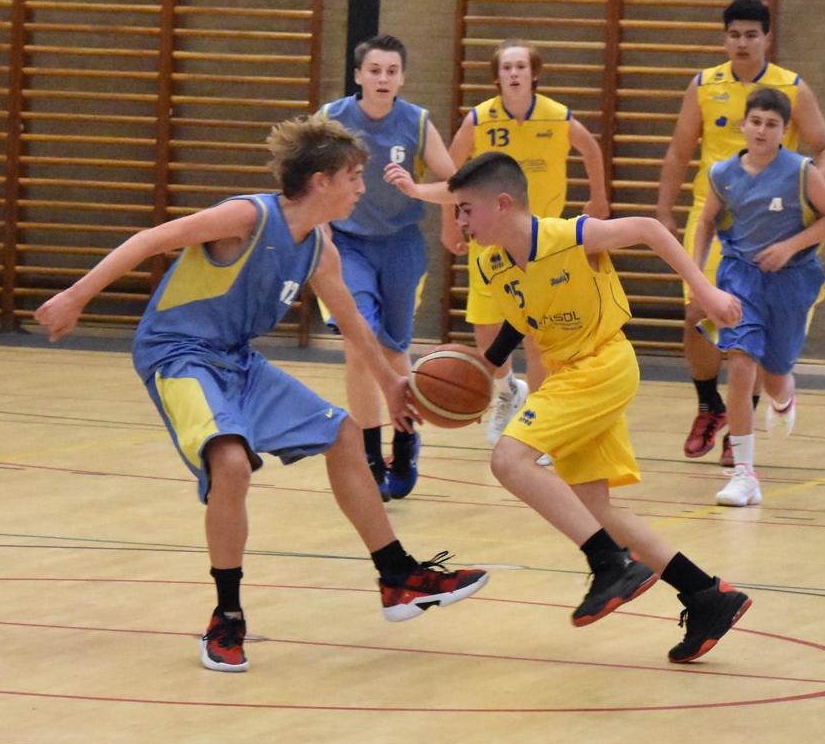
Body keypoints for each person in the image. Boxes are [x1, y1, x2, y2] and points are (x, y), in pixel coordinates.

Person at [34, 113, 488, 674]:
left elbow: (350, 320)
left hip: (237, 359)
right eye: (353, 177)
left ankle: (398, 578)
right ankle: (226, 616)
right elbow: (151, 239)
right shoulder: (247, 217)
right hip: (179, 353)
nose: (361, 188)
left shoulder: (319, 247)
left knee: (345, 435)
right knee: (231, 464)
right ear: (321, 181)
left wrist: (393, 382)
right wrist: (76, 296)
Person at [387, 151, 753, 663]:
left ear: (503, 203)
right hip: (568, 375)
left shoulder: (570, 236)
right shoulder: (493, 263)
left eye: (467, 209)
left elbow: (649, 229)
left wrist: (705, 291)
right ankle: (707, 595)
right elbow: (521, 321)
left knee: (508, 459)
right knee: (594, 510)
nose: (461, 220)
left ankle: (609, 564)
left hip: (603, 363)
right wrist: (473, 377)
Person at [657, 0, 825, 467]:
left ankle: (742, 428)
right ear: (725, 39)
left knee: (752, 332)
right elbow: (679, 152)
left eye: (751, 34)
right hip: (713, 214)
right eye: (734, 34)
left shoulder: (791, 88)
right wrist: (664, 210)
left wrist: (807, 195)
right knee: (697, 314)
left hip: (769, 224)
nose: (742, 42)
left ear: (766, 38)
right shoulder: (704, 85)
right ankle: (709, 406)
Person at [444, 40, 609, 447]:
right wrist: (450, 223)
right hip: (488, 240)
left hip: (541, 243)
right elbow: (451, 172)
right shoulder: (480, 119)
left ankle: (538, 424)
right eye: (506, 67)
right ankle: (507, 393)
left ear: (534, 74)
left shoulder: (557, 116)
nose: (514, 73)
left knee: (539, 338)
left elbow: (590, 149)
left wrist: (598, 198)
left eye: (520, 66)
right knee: (487, 330)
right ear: (497, 77)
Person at [690, 87, 825, 506]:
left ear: (784, 131)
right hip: (740, 278)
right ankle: (744, 474)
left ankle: (783, 397)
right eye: (755, 122)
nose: (761, 130)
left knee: (775, 376)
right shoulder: (723, 173)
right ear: (743, 125)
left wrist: (790, 246)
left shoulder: (801, 171)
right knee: (740, 365)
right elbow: (705, 223)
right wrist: (699, 278)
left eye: (772, 124)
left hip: (790, 281)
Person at [317, 34, 456, 500]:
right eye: (374, 70)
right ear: (358, 75)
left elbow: (455, 183)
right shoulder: (332, 119)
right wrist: (317, 227)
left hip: (400, 245)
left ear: (402, 78)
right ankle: (370, 457)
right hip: (348, 244)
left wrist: (417, 191)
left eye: (391, 71)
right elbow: (301, 177)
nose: (383, 78)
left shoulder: (416, 122)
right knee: (360, 343)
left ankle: (405, 441)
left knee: (395, 351)